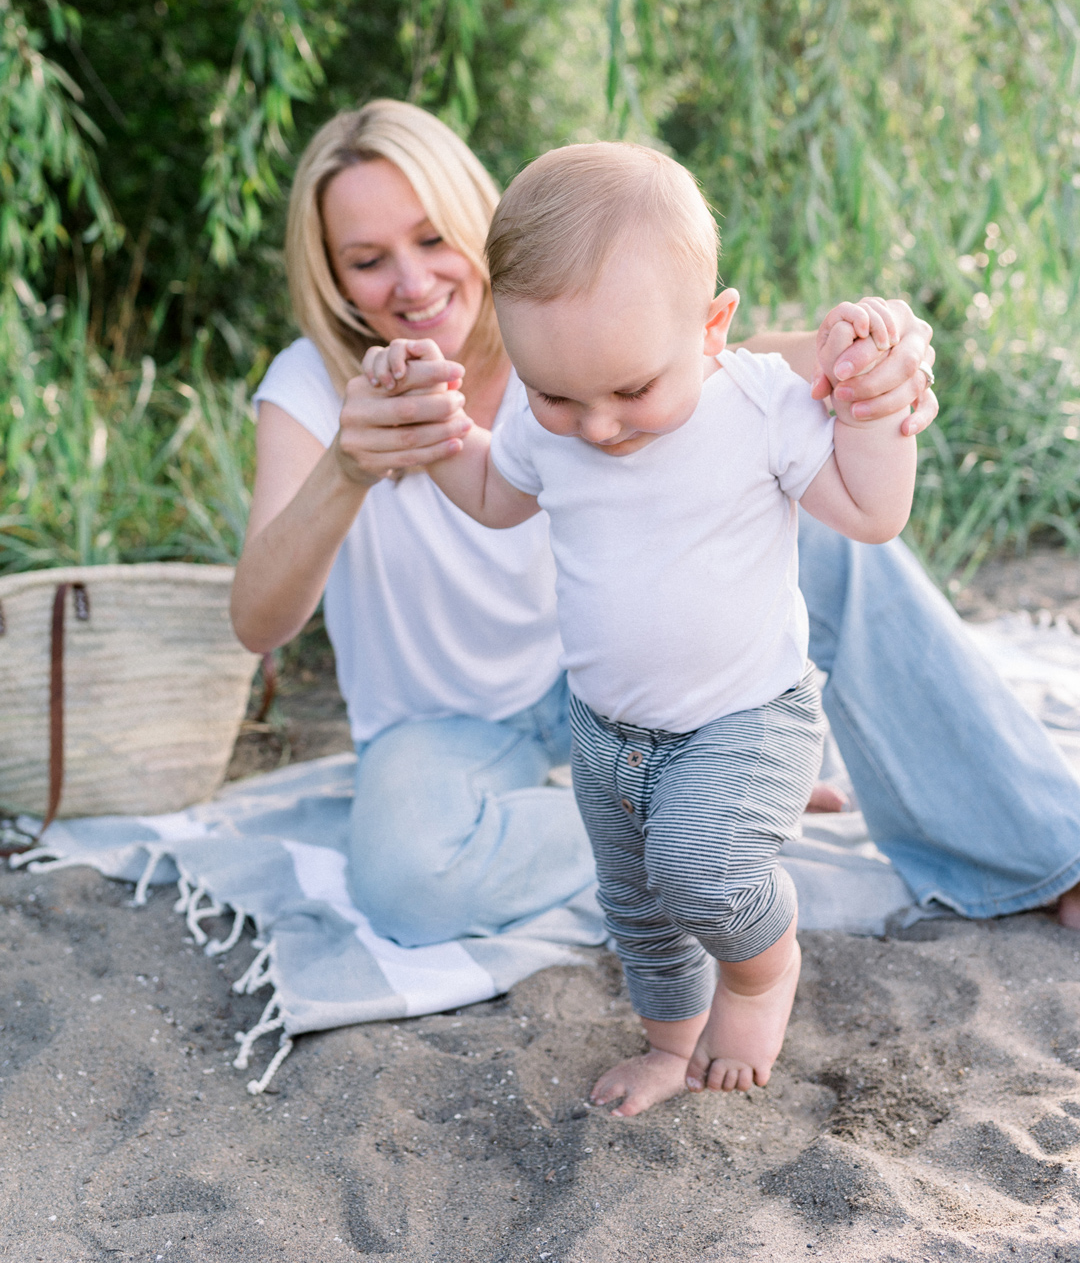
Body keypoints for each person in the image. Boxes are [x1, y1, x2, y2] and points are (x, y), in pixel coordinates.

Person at [230, 99, 1080, 969]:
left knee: (800, 512)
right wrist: (348, 465)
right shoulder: (314, 386)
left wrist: (875, 365)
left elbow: (755, 369)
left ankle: (1041, 849)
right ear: (330, 276)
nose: (411, 283)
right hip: (445, 726)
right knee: (411, 881)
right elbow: (259, 624)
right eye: (367, 261)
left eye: (434, 239)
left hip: (619, 680)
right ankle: (708, 820)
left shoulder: (578, 325)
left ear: (484, 232)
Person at [369, 141, 917, 1115]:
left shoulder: (757, 407)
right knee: (638, 908)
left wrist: (874, 416)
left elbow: (871, 515)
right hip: (604, 729)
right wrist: (441, 428)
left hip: (743, 717)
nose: (599, 427)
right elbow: (499, 492)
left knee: (701, 874)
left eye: (631, 391)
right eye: (557, 395)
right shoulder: (556, 422)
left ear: (713, 329)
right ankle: (669, 1045)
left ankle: (762, 968)